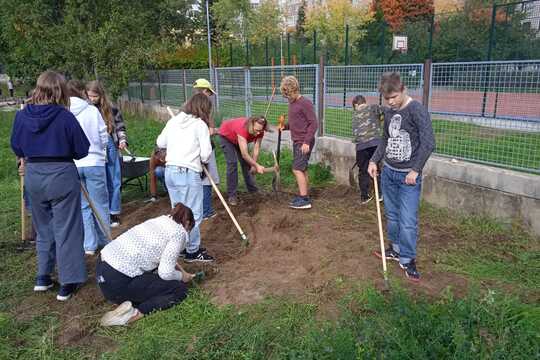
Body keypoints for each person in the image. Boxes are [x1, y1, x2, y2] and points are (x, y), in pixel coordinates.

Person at [10, 70, 90, 301]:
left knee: (43, 229)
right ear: (60, 90)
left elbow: (16, 146)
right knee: (67, 229)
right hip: (61, 175)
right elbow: (82, 149)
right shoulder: (65, 117)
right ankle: (68, 281)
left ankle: (43, 278)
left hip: (34, 175)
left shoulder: (22, 115)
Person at [368, 72, 436, 282]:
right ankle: (395, 249)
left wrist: (415, 170)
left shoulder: (417, 110)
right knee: (393, 215)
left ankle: (408, 259)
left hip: (408, 177)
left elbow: (428, 143)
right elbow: (385, 139)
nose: (391, 102)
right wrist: (373, 160)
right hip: (388, 172)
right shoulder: (389, 112)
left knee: (408, 221)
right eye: (387, 99)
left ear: (403, 89)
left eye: (394, 97)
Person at [97, 202, 198, 326]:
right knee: (178, 289)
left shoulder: (160, 221)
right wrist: (182, 277)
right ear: (187, 223)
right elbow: (165, 273)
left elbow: (165, 257)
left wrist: (183, 272)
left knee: (153, 275)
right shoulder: (179, 233)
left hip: (103, 273)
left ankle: (126, 301)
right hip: (119, 282)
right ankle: (133, 314)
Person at [156, 93, 214, 262]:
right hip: (188, 173)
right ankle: (192, 251)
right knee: (193, 213)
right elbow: (206, 153)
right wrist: (202, 159)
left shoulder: (173, 122)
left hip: (170, 171)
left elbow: (160, 142)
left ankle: (179, 247)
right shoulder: (199, 125)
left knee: (178, 212)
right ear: (203, 109)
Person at [68, 80, 110, 256]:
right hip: (94, 163)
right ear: (82, 92)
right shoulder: (92, 111)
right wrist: (101, 151)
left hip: (76, 164)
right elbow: (103, 134)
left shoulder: (65, 112)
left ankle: (89, 245)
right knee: (100, 204)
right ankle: (106, 242)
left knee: (84, 206)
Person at [86, 80, 128, 227]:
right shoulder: (86, 109)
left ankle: (113, 212)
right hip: (94, 147)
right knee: (99, 181)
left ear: (101, 95)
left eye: (94, 97)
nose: (92, 100)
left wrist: (122, 140)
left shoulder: (111, 108)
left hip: (110, 144)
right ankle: (99, 213)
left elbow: (120, 126)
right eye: (89, 96)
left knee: (114, 180)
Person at [279, 75, 318, 209]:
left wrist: (306, 142)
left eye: (289, 94)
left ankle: (304, 200)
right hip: (297, 140)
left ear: (295, 89)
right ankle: (305, 194)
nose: (288, 97)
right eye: (286, 96)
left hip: (303, 141)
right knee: (302, 168)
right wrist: (286, 127)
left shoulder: (305, 103)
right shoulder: (292, 103)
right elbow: (297, 123)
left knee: (296, 169)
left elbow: (313, 123)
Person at [218, 116, 271, 205]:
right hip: (226, 136)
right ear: (251, 125)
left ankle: (252, 189)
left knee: (246, 164)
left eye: (260, 131)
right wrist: (257, 165)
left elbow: (256, 148)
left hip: (237, 137)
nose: (258, 133)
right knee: (232, 163)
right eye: (256, 130)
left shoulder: (260, 130)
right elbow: (245, 155)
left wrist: (254, 165)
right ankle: (232, 195)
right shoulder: (243, 129)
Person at [193, 78, 219, 219]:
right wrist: (217, 130)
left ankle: (199, 210)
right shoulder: (204, 108)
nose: (210, 96)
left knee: (196, 179)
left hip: (191, 150)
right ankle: (207, 211)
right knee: (207, 180)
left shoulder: (187, 108)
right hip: (205, 149)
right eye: (209, 93)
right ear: (204, 91)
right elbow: (209, 131)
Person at [351, 95, 383, 204]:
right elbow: (384, 113)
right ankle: (380, 194)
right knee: (377, 168)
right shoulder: (374, 107)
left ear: (356, 105)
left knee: (363, 170)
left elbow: (355, 135)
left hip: (361, 147)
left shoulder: (355, 114)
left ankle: (365, 196)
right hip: (376, 144)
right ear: (365, 102)